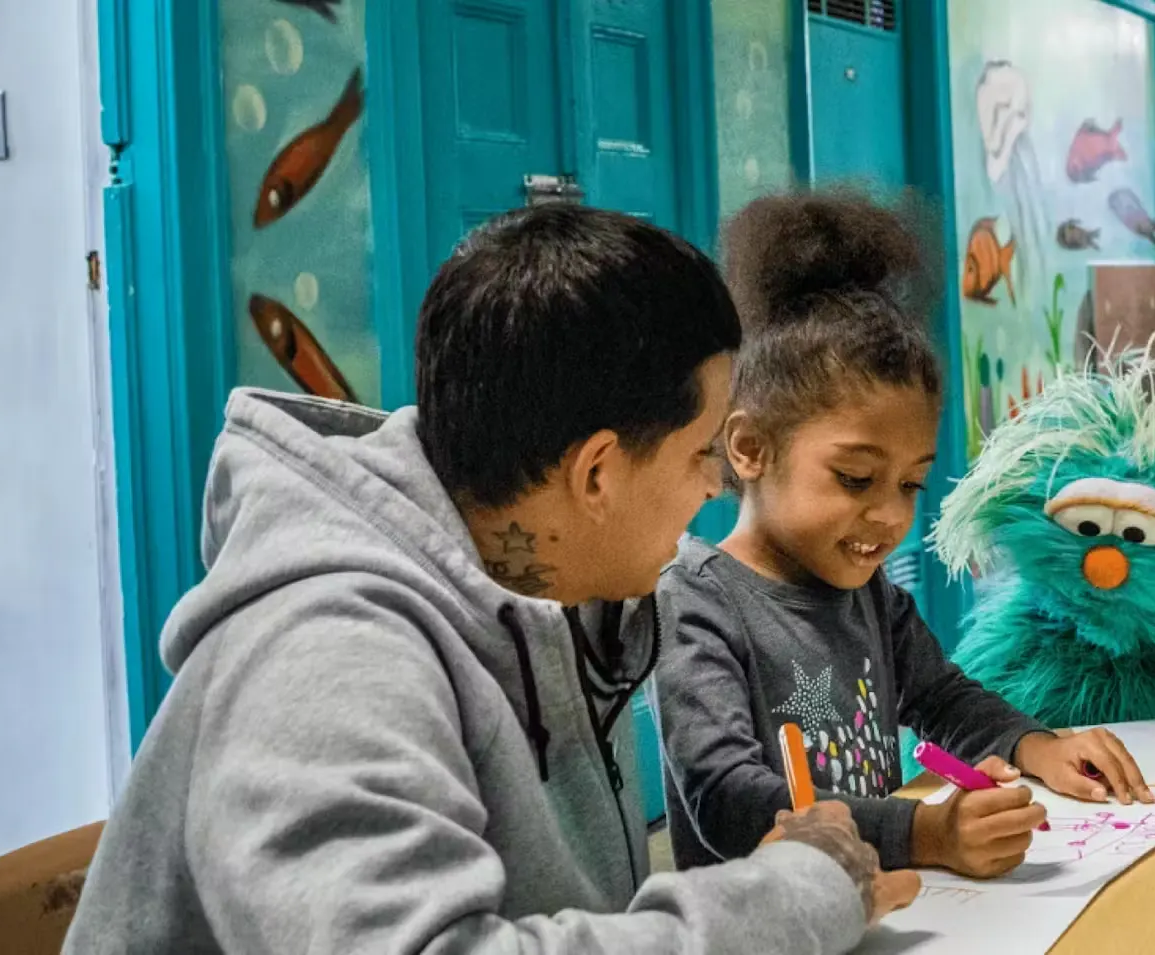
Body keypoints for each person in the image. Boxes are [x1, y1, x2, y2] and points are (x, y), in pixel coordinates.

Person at [65, 204, 917, 953]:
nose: (712, 488)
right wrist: (796, 897)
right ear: (595, 474)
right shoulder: (325, 653)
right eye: (701, 455)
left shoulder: (563, 587)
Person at [655, 191, 1153, 879]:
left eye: (910, 484)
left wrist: (1036, 744)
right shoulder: (696, 603)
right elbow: (728, 804)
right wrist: (921, 832)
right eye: (857, 478)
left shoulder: (865, 590)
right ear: (748, 447)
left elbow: (940, 696)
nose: (891, 516)